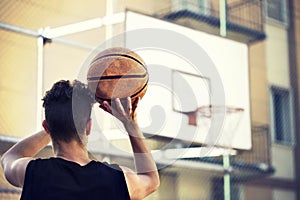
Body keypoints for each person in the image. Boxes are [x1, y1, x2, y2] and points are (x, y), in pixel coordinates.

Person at [1, 80, 160, 200]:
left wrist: (56, 124)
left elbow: (9, 157)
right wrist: (130, 124)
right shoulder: (120, 178)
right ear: (88, 127)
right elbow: (151, 180)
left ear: (46, 127)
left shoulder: (32, 172)